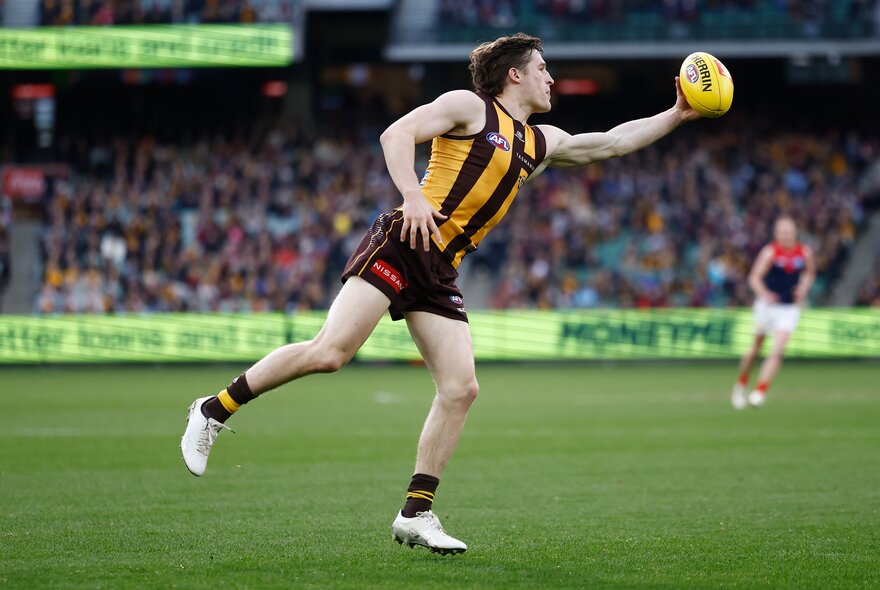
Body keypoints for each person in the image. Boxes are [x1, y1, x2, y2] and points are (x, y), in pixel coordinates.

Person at [181, 32, 703, 554]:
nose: (551, 78)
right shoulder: (468, 106)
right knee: (330, 353)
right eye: (542, 68)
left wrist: (676, 114)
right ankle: (213, 409)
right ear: (514, 74)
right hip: (405, 241)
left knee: (461, 388)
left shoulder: (541, 141)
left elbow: (613, 140)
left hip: (442, 266)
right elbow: (396, 134)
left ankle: (416, 513)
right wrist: (411, 195)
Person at [731, 216, 815, 410]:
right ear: (776, 234)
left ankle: (760, 390)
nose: (786, 235)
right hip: (766, 308)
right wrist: (765, 294)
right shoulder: (770, 253)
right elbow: (754, 277)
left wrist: (803, 288)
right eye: (782, 231)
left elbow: (810, 273)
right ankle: (741, 383)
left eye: (789, 231)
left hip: (788, 308)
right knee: (756, 349)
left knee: (777, 350)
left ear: (795, 232)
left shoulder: (804, 252)